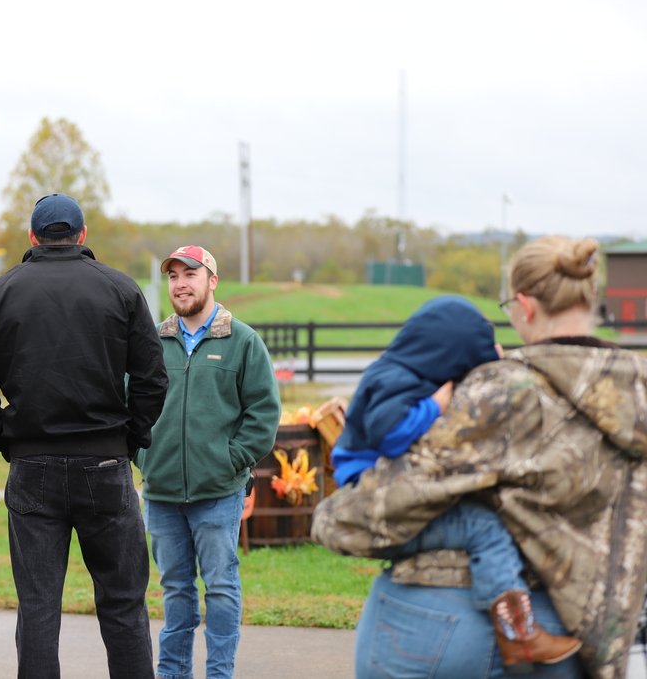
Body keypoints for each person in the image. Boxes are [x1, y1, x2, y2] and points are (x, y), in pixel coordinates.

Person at [312, 235, 647, 679]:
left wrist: (330, 515)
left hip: (443, 623)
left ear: (524, 307)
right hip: (592, 635)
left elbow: (367, 513)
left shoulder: (505, 390)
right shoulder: (638, 390)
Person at [0, 193, 168, 679]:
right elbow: (153, 379)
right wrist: (129, 439)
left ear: (33, 237)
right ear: (82, 236)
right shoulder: (120, 288)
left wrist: (8, 441)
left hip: (33, 469)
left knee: (37, 608)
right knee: (123, 606)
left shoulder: (0, 293)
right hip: (106, 466)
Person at [330, 294, 581, 672]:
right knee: (485, 529)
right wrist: (436, 407)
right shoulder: (394, 378)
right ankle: (516, 631)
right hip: (367, 487)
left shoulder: (400, 370)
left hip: (383, 491)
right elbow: (392, 434)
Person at [136, 245, 281, 679]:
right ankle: (173, 674)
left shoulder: (242, 341)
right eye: (174, 276)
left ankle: (219, 674)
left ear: (212, 281)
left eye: (190, 274)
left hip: (219, 492)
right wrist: (146, 456)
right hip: (160, 494)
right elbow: (129, 405)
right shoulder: (150, 342)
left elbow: (263, 414)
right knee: (174, 590)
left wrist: (229, 461)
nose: (180, 283)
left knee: (220, 587)